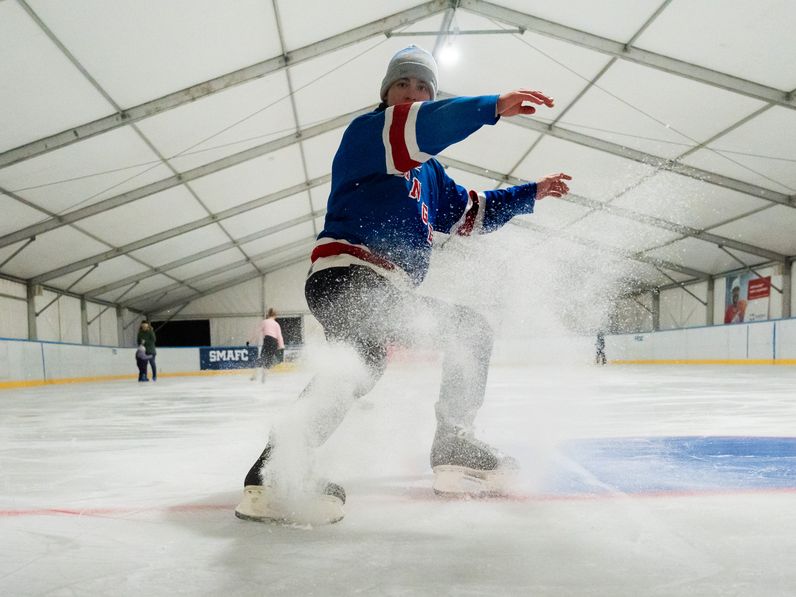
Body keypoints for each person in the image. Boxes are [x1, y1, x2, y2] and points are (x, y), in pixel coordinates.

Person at [235, 45, 572, 525]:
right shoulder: (369, 133)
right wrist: (490, 107)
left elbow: (471, 213)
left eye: (422, 87)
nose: (412, 94)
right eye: (403, 85)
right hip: (348, 275)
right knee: (466, 330)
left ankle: (275, 468)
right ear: (387, 93)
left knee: (360, 365)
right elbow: (424, 123)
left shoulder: (430, 174)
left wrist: (529, 193)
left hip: (378, 287)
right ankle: (452, 443)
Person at [251, 308, 285, 383]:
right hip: (274, 342)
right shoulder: (276, 324)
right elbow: (279, 336)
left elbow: (257, 331)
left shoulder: (264, 322)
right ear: (275, 315)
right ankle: (263, 379)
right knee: (268, 361)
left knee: (263, 358)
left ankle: (255, 375)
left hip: (267, 341)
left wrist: (250, 340)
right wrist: (281, 345)